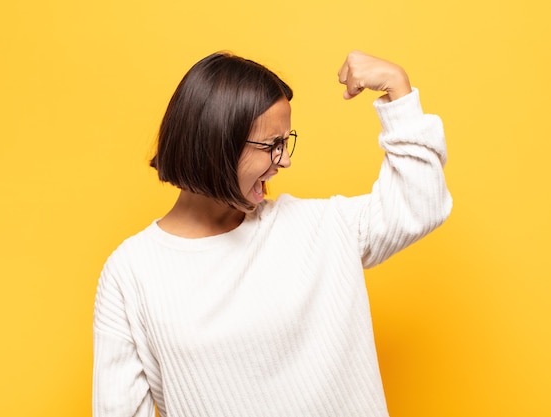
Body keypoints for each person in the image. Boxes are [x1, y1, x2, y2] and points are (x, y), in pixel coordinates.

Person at [93, 50, 452, 417]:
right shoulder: (131, 273)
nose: (285, 160)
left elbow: (419, 203)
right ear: (219, 144)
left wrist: (398, 91)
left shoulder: (320, 227)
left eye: (286, 141)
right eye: (272, 145)